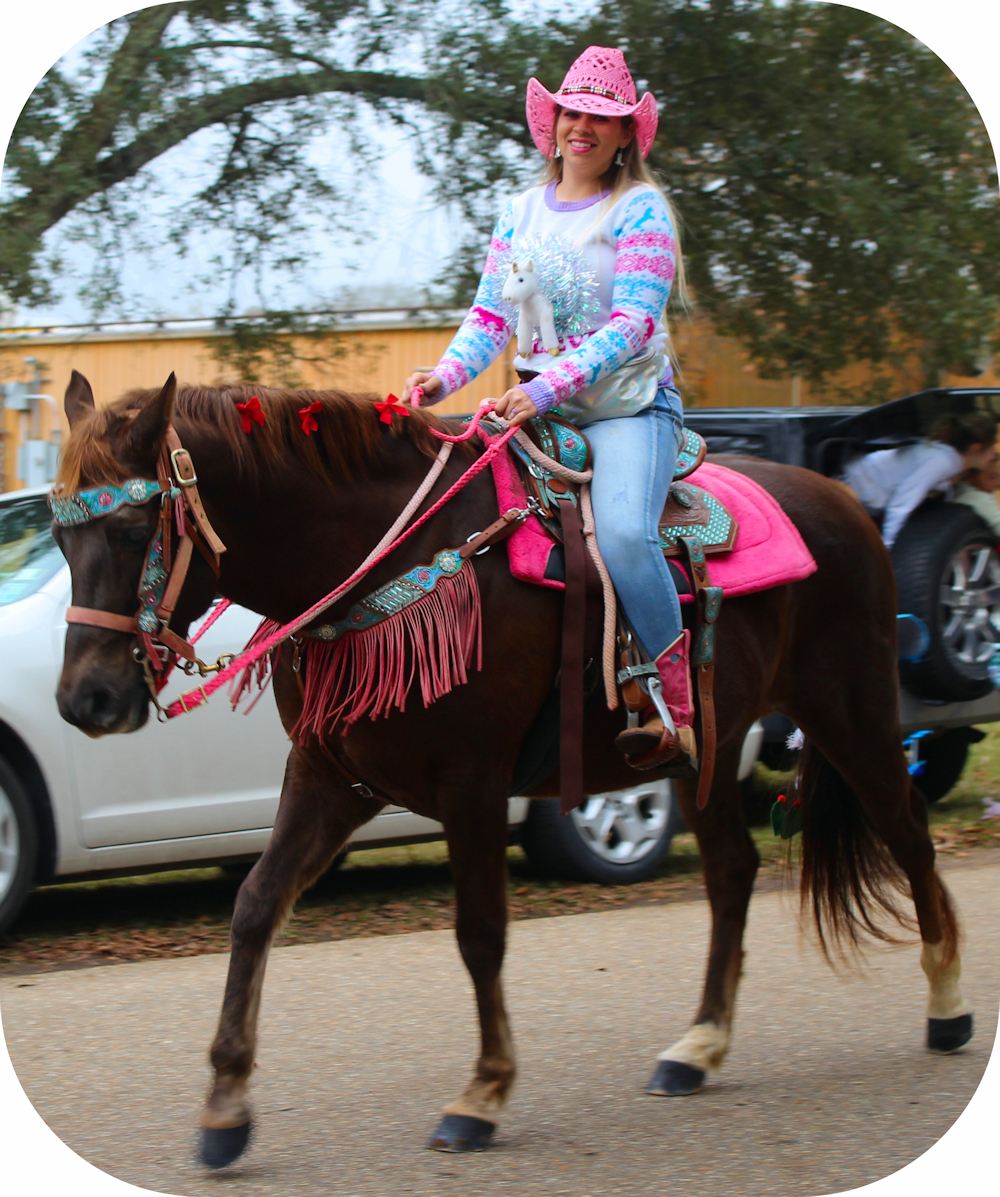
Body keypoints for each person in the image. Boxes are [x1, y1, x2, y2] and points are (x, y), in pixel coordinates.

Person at [401, 46, 692, 768]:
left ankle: (677, 702)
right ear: (552, 122)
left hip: (627, 409)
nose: (582, 126)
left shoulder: (640, 209)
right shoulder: (520, 211)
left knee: (624, 534)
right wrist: (443, 379)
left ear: (627, 133)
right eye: (572, 111)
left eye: (602, 116)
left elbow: (634, 327)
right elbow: (490, 319)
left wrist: (541, 389)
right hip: (539, 410)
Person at [843, 412, 998, 549]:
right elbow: (902, 504)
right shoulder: (942, 461)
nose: (993, 456)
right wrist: (887, 546)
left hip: (863, 494)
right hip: (852, 490)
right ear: (976, 448)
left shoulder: (947, 461)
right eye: (991, 449)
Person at [953, 452, 1000, 538]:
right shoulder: (976, 498)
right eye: (992, 477)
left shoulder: (959, 489)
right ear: (970, 476)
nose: (997, 482)